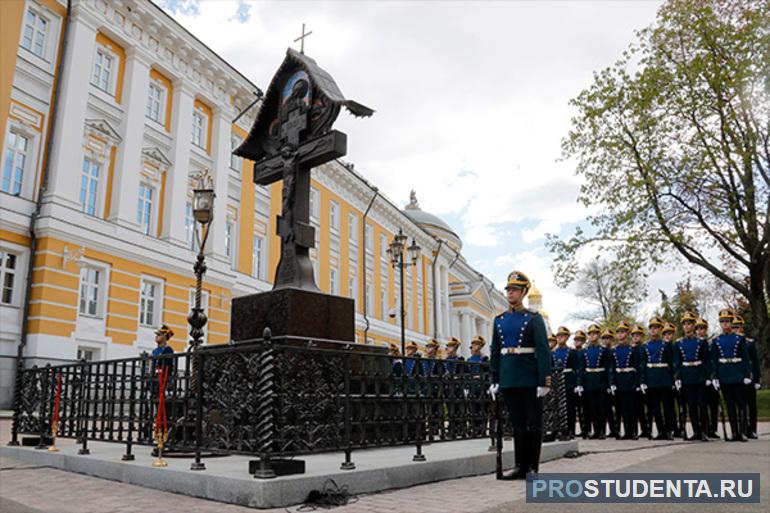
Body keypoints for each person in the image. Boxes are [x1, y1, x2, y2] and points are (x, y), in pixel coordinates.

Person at [489, 271, 551, 479]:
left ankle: (532, 467)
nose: (510, 293)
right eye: (508, 289)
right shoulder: (499, 320)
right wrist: (495, 379)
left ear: (524, 292)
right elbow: (495, 351)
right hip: (509, 377)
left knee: (533, 423)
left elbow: (542, 350)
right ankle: (519, 466)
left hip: (529, 377)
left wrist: (544, 380)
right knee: (517, 424)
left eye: (514, 290)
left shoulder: (534, 318)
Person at [712, 309, 751, 442]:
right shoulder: (716, 340)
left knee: (741, 404)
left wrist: (746, 374)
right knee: (729, 405)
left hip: (737, 373)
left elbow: (745, 358)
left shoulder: (739, 339)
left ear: (731, 322)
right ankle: (734, 431)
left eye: (727, 321)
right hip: (724, 374)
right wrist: (715, 377)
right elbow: (715, 361)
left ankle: (742, 431)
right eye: (722, 321)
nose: (725, 324)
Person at [674, 312, 710, 442]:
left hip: (699, 374)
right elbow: (677, 362)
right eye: (685, 324)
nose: (687, 326)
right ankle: (696, 431)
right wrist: (678, 377)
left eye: (689, 324)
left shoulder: (701, 342)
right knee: (692, 406)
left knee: (702, 405)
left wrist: (707, 377)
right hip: (686, 375)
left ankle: (704, 431)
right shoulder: (679, 343)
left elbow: (706, 360)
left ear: (693, 325)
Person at [640, 317, 675, 440]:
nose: (653, 330)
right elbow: (642, 365)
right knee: (655, 408)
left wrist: (674, 380)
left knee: (667, 407)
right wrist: (643, 381)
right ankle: (660, 431)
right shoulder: (645, 346)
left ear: (660, 329)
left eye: (656, 327)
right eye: (651, 328)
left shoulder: (666, 345)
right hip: (651, 378)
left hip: (664, 378)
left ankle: (668, 431)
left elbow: (672, 363)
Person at [578, 325, 613, 440]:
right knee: (592, 408)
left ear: (598, 335)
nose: (593, 336)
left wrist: (609, 383)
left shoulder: (604, 350)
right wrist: (580, 384)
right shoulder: (584, 351)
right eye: (591, 334)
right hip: (589, 381)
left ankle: (602, 430)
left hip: (600, 381)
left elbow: (608, 368)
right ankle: (595, 430)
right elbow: (581, 369)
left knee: (601, 408)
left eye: (595, 333)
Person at [732, 315, 760, 439]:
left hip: (749, 377)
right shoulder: (732, 342)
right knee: (740, 404)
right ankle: (742, 428)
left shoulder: (749, 342)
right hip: (737, 377)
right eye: (733, 327)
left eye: (737, 327)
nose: (734, 329)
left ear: (741, 328)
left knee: (751, 405)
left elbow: (755, 362)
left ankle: (752, 429)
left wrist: (757, 378)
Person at [612, 321, 639, 439]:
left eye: (622, 332)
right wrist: (612, 383)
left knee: (632, 407)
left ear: (627, 334)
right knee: (622, 408)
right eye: (618, 332)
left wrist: (638, 382)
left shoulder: (633, 349)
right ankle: (626, 431)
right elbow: (612, 368)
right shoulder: (614, 350)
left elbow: (638, 367)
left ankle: (633, 431)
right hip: (619, 380)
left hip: (630, 379)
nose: (620, 335)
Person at [552, 326, 579, 439]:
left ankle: (571, 430)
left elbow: (576, 368)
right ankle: (560, 430)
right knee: (558, 408)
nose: (560, 338)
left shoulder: (571, 352)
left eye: (562, 336)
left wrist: (576, 384)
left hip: (568, 381)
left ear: (567, 337)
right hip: (557, 382)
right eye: (559, 336)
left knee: (569, 408)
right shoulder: (553, 352)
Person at [696, 318, 720, 439]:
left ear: (706, 330)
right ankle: (704, 428)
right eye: (698, 329)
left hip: (712, 377)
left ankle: (713, 428)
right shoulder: (697, 344)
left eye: (702, 328)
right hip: (702, 378)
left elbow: (714, 361)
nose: (700, 331)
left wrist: (714, 376)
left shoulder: (713, 343)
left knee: (714, 405)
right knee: (702, 405)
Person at [630, 324, 650, 438]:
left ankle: (646, 429)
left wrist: (642, 381)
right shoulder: (631, 349)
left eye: (638, 335)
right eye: (634, 335)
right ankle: (637, 430)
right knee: (636, 408)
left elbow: (643, 366)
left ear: (642, 336)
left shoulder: (644, 348)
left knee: (647, 408)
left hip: (645, 380)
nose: (636, 337)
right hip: (633, 382)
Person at [572, 330, 589, 438]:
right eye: (576, 340)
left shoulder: (584, 352)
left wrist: (580, 383)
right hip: (573, 382)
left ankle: (585, 429)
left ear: (583, 341)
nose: (577, 342)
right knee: (575, 408)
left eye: (580, 340)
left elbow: (582, 369)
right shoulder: (572, 352)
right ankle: (574, 430)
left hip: (584, 382)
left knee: (584, 408)